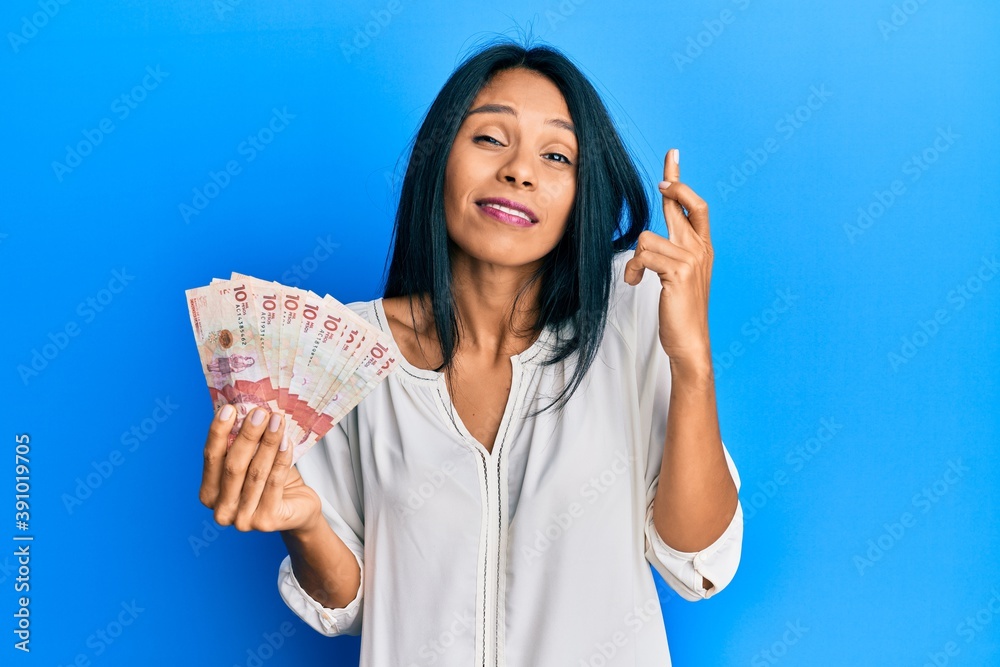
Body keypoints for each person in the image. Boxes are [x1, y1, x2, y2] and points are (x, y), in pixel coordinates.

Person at [198, 38, 743, 666]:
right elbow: (354, 605)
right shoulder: (349, 350)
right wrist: (305, 523)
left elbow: (696, 561)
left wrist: (692, 364)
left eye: (556, 155)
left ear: (581, 194)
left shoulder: (631, 317)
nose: (519, 171)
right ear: (440, 159)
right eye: (489, 138)